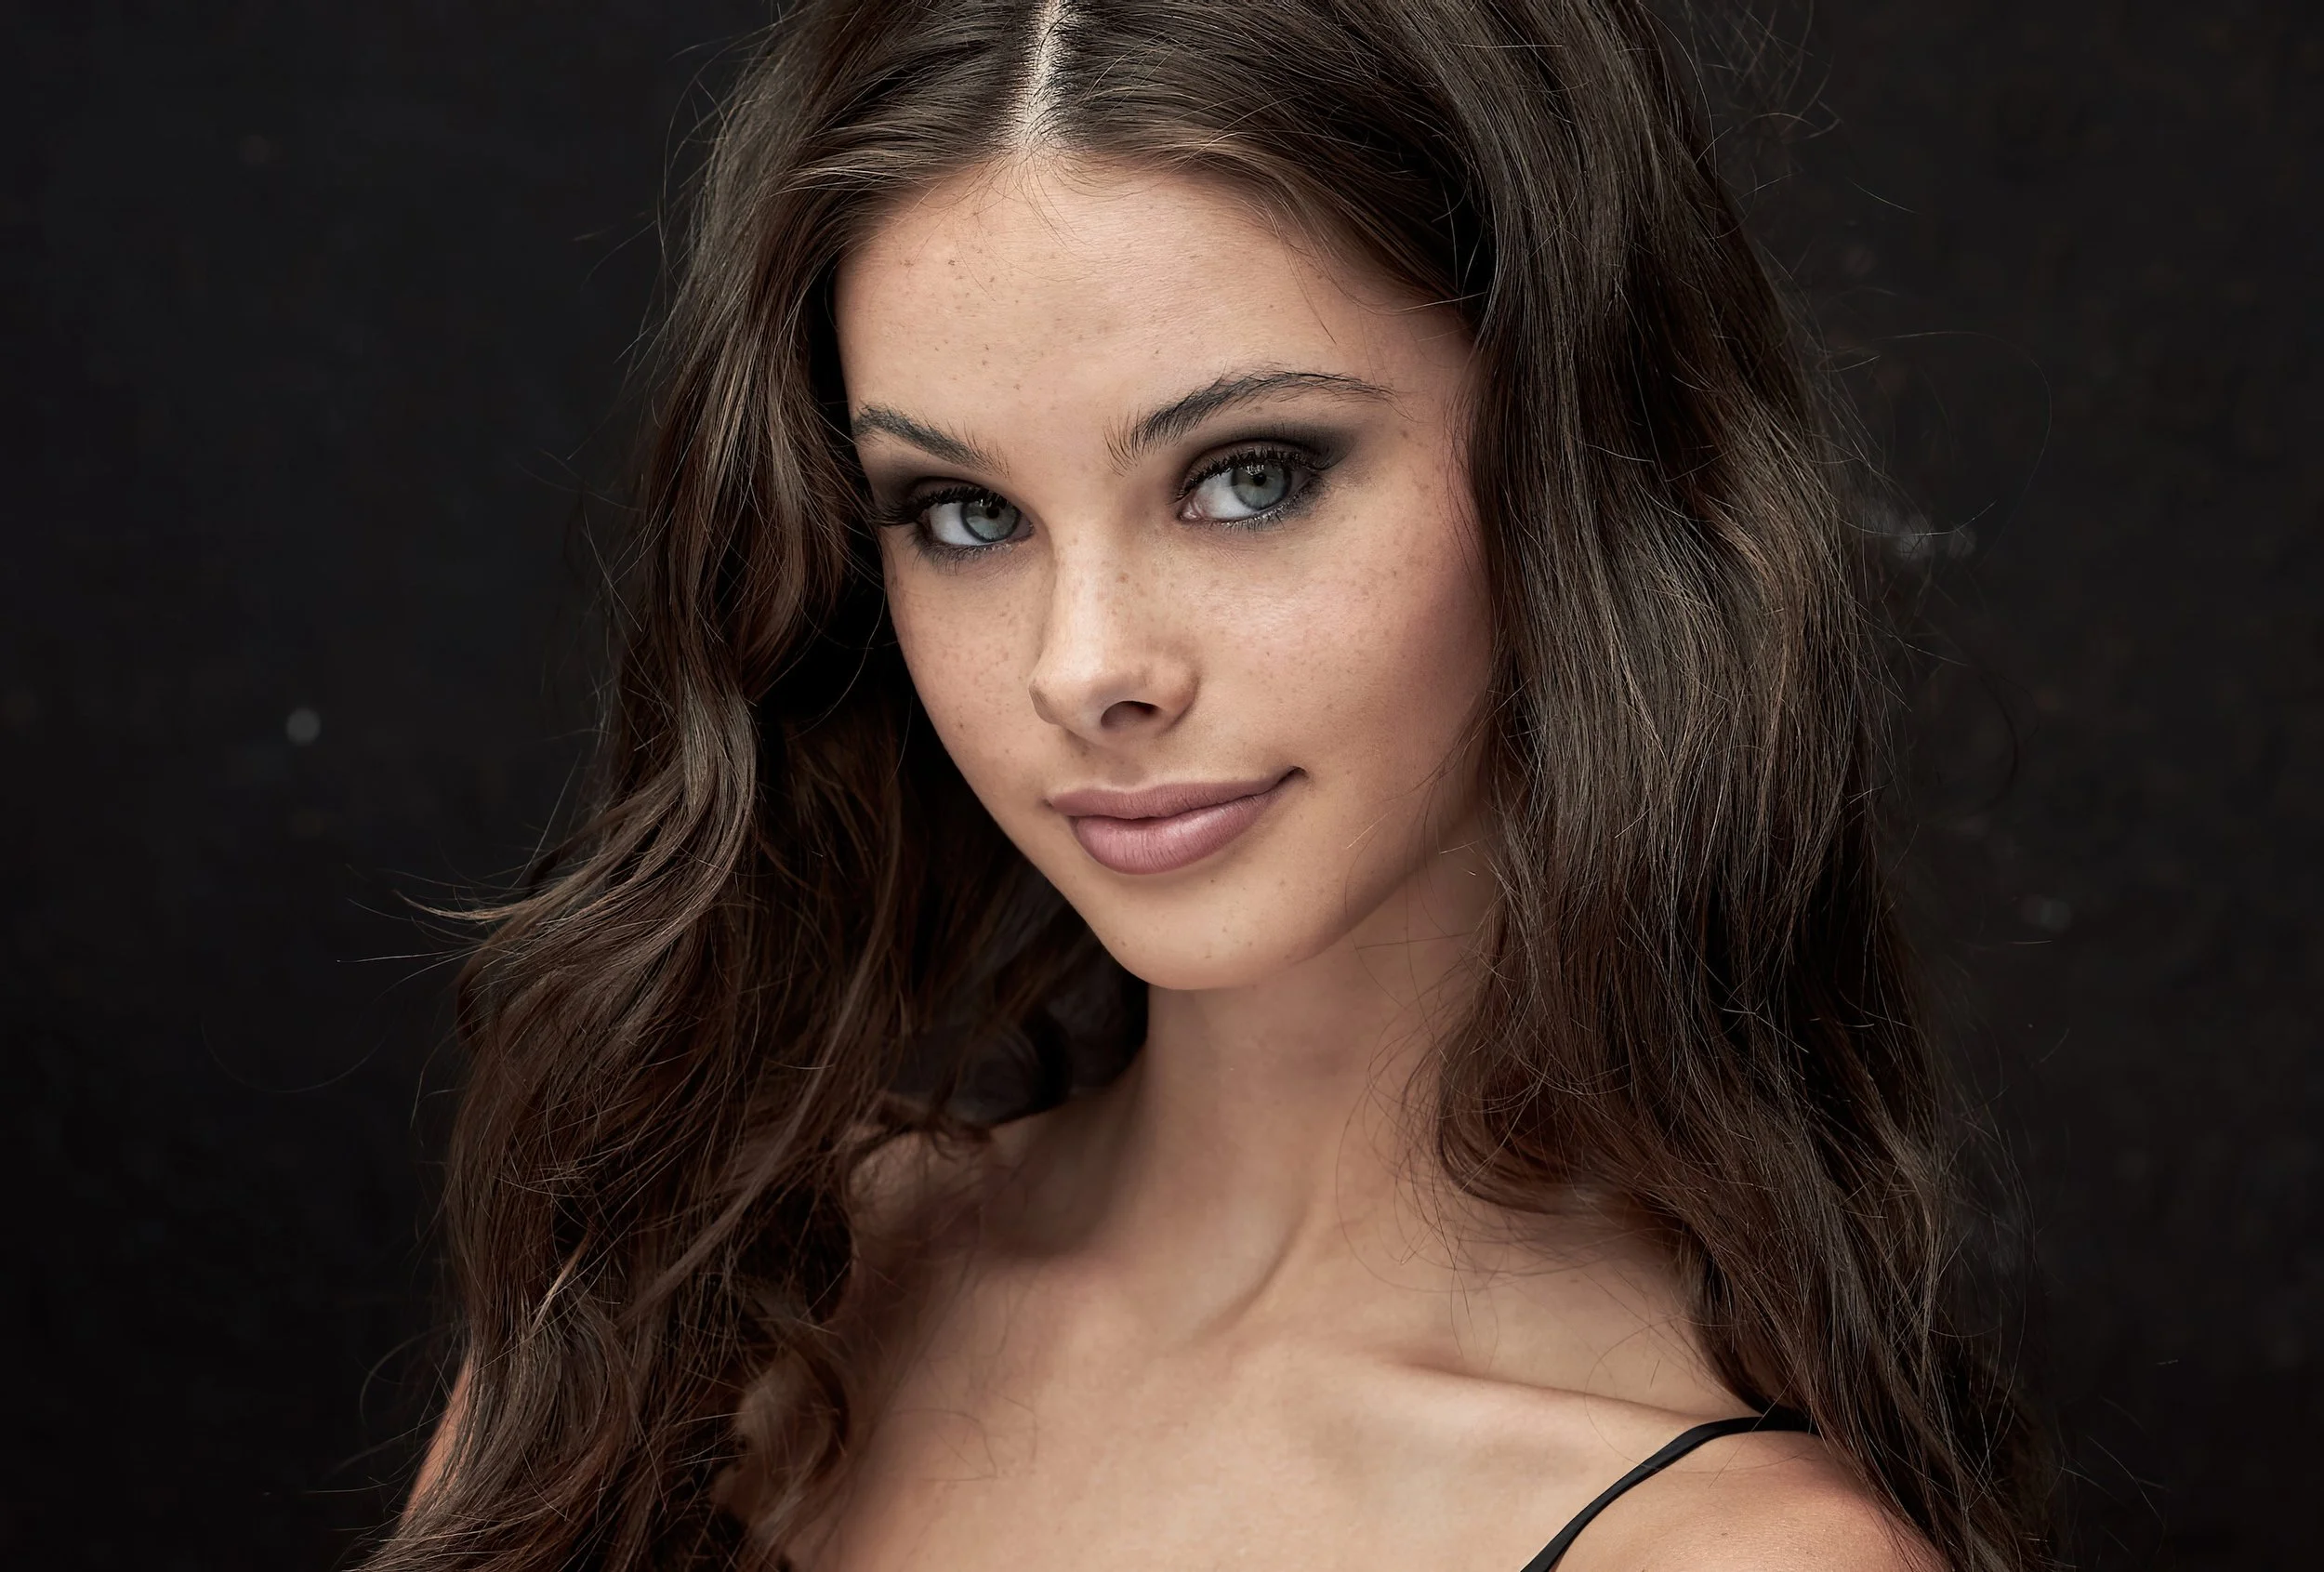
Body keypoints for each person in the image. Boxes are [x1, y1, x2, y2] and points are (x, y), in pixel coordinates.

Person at [379, 1, 2050, 1568]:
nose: (1082, 664)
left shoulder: (1722, 1546)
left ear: (1585, 458)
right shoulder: (701, 1322)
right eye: (963, 512)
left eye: (1249, 477)